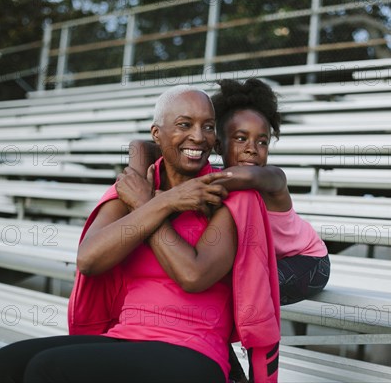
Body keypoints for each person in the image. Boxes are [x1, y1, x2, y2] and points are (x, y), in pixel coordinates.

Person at [0, 85, 281, 383]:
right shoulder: (132, 188)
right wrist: (162, 202)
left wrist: (146, 205)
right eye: (184, 124)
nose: (198, 136)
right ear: (157, 134)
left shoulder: (231, 195)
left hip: (194, 350)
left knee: (48, 369)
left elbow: (193, 275)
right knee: (4, 363)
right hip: (127, 336)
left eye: (207, 126)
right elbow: (89, 259)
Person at [130, 78, 330, 306]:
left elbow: (247, 177)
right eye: (241, 139)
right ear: (218, 145)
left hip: (307, 261)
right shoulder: (217, 176)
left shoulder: (272, 178)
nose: (252, 149)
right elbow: (141, 145)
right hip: (262, 258)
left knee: (229, 282)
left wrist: (165, 198)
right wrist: (137, 176)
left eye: (262, 142)